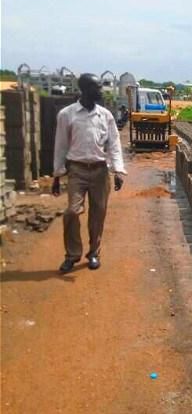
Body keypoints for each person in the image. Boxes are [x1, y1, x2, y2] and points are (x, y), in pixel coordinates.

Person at [52, 73, 127, 273]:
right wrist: (57, 175)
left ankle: (94, 253)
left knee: (97, 215)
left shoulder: (106, 115)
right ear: (84, 90)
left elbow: (114, 144)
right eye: (97, 88)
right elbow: (60, 146)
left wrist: (118, 171)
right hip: (76, 170)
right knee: (71, 212)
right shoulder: (67, 115)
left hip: (100, 171)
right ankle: (72, 254)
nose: (100, 91)